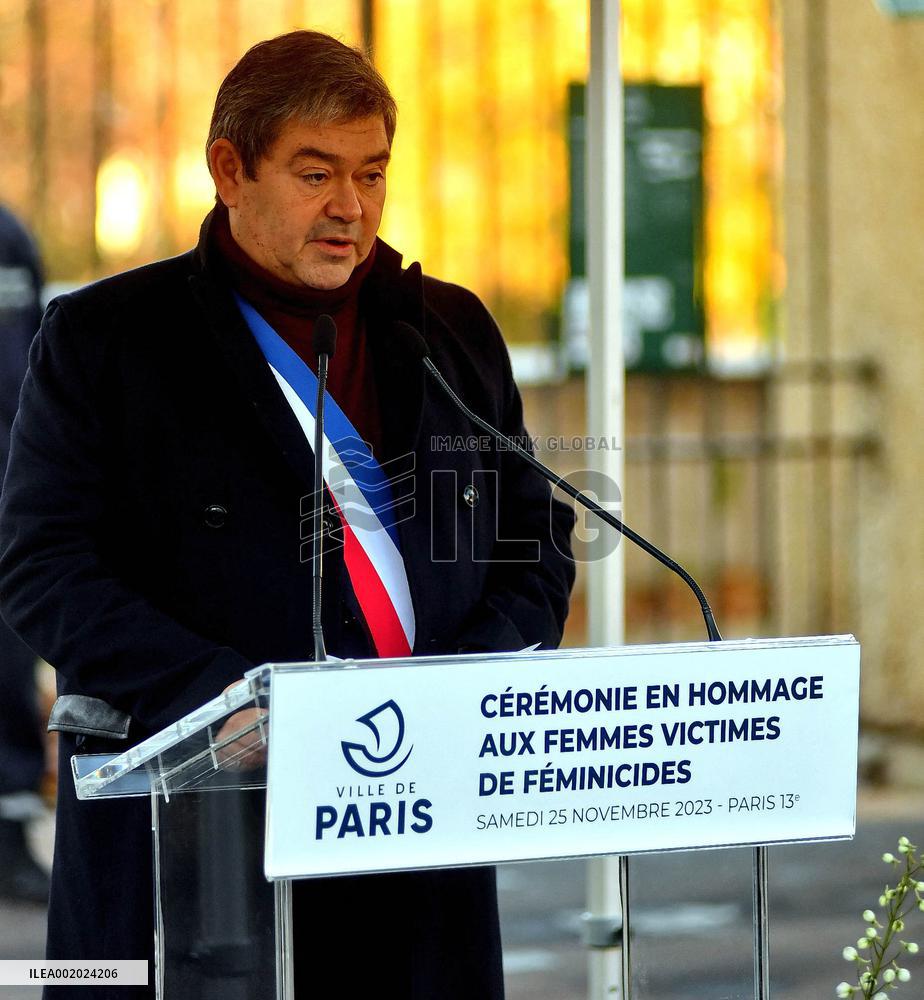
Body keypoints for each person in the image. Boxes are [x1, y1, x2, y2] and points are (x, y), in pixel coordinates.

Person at [0, 30, 574, 999]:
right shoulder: (105, 342)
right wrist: (227, 698)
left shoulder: (450, 331)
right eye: (316, 174)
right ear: (230, 169)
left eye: (372, 174)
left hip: (415, 825)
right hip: (194, 836)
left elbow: (537, 543)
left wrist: (473, 682)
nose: (350, 208)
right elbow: (42, 568)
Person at [0, 203, 49, 905]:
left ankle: (9, 843)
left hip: (8, 499)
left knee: (9, 671)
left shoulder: (11, 236)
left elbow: (39, 364)